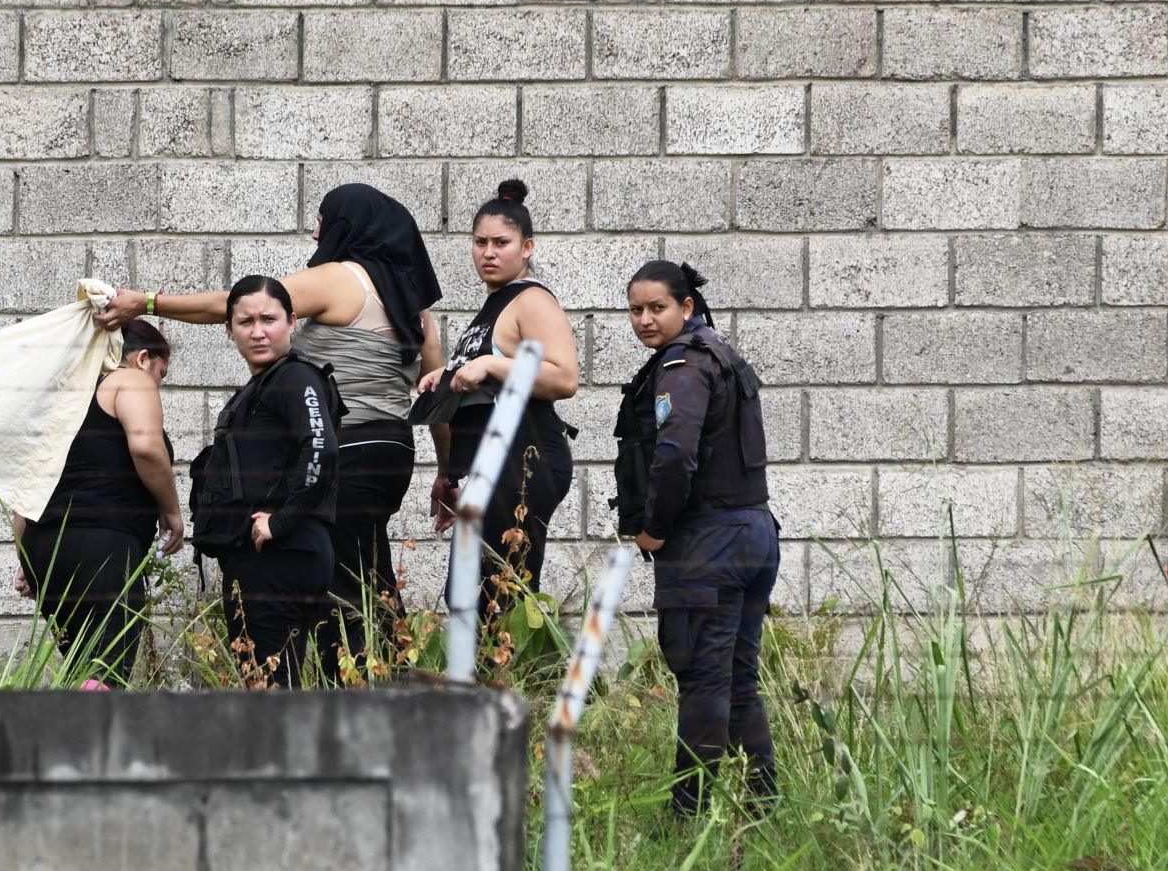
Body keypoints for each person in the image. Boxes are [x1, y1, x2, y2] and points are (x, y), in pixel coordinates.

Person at [96, 183, 442, 667]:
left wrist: (148, 303)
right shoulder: (415, 307)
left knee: (334, 581)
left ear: (348, 223)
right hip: (393, 451)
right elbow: (436, 386)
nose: (316, 229)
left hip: (343, 446)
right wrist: (447, 472)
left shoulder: (339, 278)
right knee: (369, 572)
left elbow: (241, 303)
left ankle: (349, 688)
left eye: (323, 218)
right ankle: (392, 678)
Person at [613, 259, 780, 818]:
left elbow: (674, 456)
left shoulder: (683, 365)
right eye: (635, 310)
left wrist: (655, 530)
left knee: (704, 676)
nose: (644, 320)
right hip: (754, 532)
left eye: (656, 307)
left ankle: (688, 814)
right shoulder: (723, 355)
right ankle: (764, 806)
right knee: (737, 678)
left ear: (686, 307)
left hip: (709, 541)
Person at [413, 180, 579, 599]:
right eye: (479, 242)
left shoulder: (532, 300)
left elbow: (564, 378)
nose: (488, 252)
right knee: (468, 596)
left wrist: (489, 363)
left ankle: (523, 667)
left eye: (501, 242)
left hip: (526, 455)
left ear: (527, 247)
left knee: (502, 598)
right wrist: (448, 376)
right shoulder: (496, 302)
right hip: (491, 462)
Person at [188, 275, 340, 688]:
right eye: (245, 322)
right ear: (230, 329)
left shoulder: (296, 379)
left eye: (269, 319)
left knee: (269, 688)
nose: (258, 331)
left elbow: (321, 449)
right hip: (265, 557)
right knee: (270, 684)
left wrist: (280, 522)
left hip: (281, 553)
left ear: (292, 322)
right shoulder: (264, 385)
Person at [12, 321, 184, 684]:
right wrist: (171, 511)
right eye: (161, 374)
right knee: (107, 673)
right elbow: (145, 446)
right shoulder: (130, 379)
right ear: (142, 358)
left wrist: (28, 563)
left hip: (45, 550)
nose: (157, 385)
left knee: (84, 672)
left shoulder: (67, 401)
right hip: (103, 546)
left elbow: (26, 494)